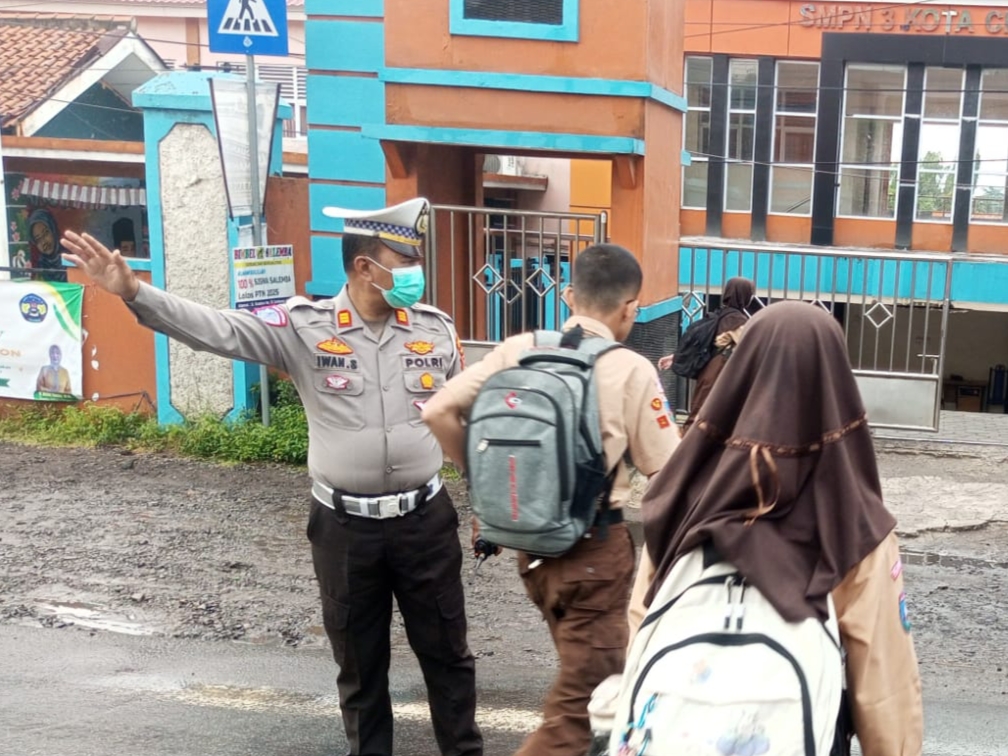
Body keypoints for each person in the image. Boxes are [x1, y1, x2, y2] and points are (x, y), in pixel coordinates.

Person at [61, 198, 484, 756]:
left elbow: (462, 420)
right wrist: (136, 291)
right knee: (361, 669)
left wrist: (485, 505)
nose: (416, 272)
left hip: (425, 523)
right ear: (365, 267)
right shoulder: (303, 327)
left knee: (449, 658)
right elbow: (218, 331)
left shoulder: (435, 329)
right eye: (405, 261)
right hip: (345, 531)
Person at [630, 301, 923, 755]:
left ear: (741, 372)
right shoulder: (855, 523)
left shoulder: (680, 497)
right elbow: (884, 686)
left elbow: (640, 629)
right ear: (836, 383)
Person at [421, 244, 680, 756]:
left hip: (532, 553)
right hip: (593, 556)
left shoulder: (519, 349)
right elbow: (670, 470)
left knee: (582, 685)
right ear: (631, 308)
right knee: (582, 714)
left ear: (567, 296)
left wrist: (485, 488)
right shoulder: (631, 368)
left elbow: (437, 411)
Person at [657, 276, 755, 432]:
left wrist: (675, 357)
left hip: (708, 370)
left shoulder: (718, 314)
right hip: (719, 372)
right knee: (703, 416)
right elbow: (750, 348)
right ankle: (686, 443)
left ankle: (687, 440)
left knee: (699, 412)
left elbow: (704, 343)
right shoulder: (737, 321)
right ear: (745, 295)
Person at [28, 209, 68, 282]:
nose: (44, 242)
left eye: (46, 233)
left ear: (53, 229)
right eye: (38, 239)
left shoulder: (68, 258)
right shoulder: (40, 266)